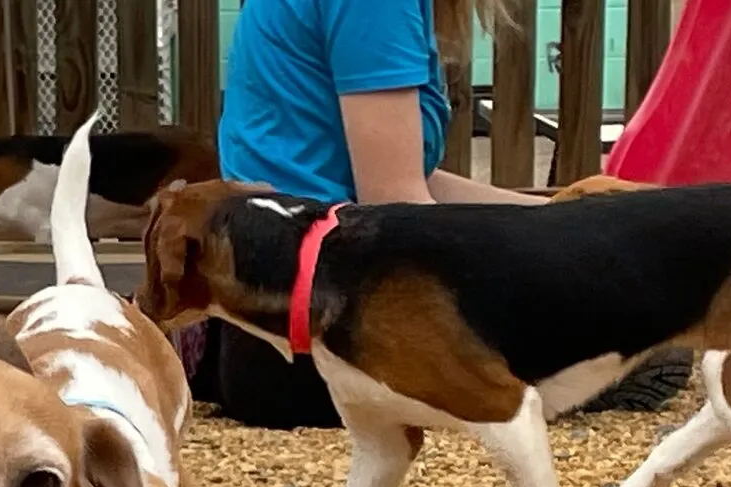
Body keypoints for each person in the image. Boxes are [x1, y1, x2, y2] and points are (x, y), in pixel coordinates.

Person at [184, 0, 692, 428]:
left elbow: (411, 181)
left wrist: (567, 217)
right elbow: (401, 211)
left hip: (277, 324)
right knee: (653, 348)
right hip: (323, 337)